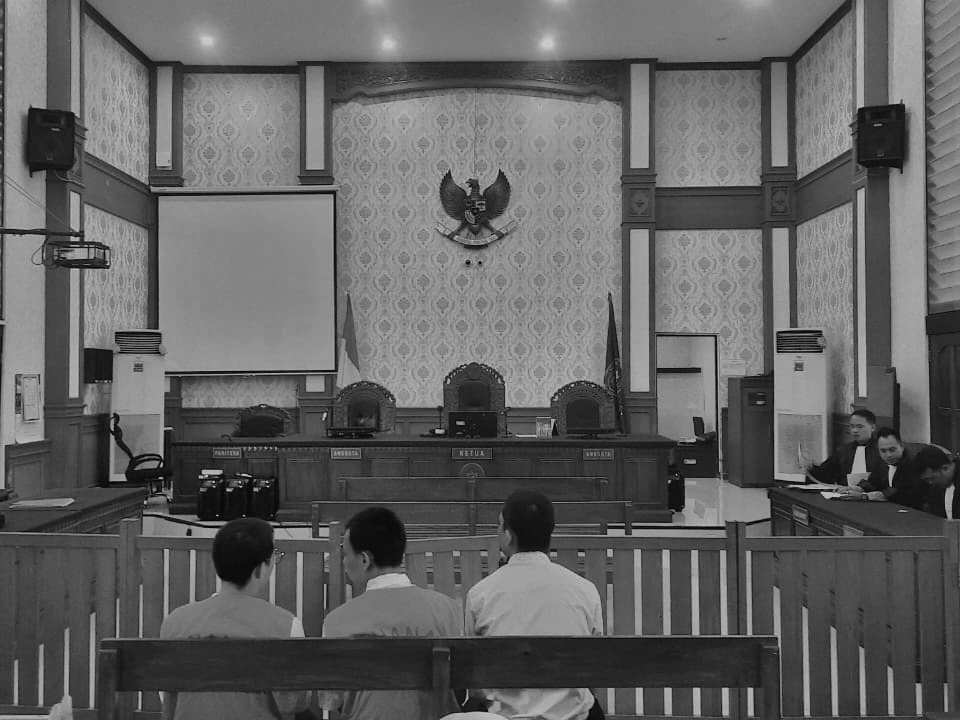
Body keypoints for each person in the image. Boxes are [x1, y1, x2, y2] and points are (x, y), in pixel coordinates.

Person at [464, 490, 605, 720]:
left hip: (503, 716)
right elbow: (593, 669)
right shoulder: (585, 591)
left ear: (508, 535)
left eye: (499, 525)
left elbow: (473, 675)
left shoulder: (480, 595)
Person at [159, 517, 309, 720]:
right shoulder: (286, 625)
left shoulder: (175, 622)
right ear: (260, 569)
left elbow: (167, 696)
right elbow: (294, 702)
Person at [321, 506, 463, 720]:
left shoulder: (337, 621)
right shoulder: (448, 609)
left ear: (364, 560)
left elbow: (331, 700)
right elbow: (458, 687)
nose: (344, 562)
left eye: (345, 554)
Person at [806, 409, 882, 486]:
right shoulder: (844, 450)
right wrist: (810, 466)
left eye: (860, 426)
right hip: (844, 491)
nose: (855, 430)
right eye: (852, 426)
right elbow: (825, 473)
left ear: (873, 428)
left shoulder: (882, 450)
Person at [853, 427, 925, 506]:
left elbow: (900, 492)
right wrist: (857, 489)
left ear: (902, 446)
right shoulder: (881, 463)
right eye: (883, 451)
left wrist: (864, 496)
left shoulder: (913, 464)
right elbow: (873, 483)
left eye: (892, 450)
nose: (888, 455)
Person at [912, 445, 960, 518]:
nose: (930, 483)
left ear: (945, 468)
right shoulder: (936, 488)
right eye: (927, 480)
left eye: (932, 478)